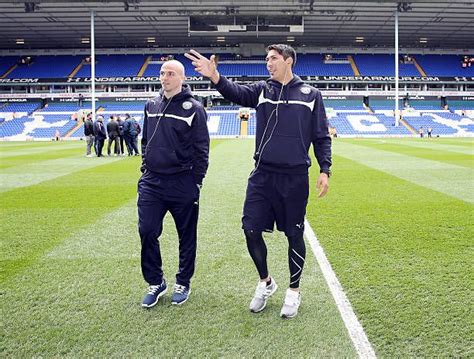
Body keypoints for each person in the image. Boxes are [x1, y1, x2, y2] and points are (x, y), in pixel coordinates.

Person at [186, 44, 331, 318]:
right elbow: (235, 93)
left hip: (295, 177)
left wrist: (325, 169)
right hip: (263, 174)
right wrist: (214, 77)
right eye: (266, 59)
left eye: (273, 58)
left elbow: (321, 136)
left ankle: (294, 290)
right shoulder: (262, 90)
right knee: (250, 228)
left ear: (288, 61)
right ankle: (266, 282)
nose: (268, 63)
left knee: (294, 234)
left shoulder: (311, 95)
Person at [138, 59, 210, 308]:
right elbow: (146, 140)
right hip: (152, 182)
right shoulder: (151, 105)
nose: (164, 77)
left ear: (181, 78)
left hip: (182, 183)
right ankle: (155, 281)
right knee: (147, 230)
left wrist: (196, 182)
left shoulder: (194, 109)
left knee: (186, 236)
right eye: (161, 73)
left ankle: (183, 281)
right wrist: (145, 166)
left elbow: (202, 149)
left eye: (170, 73)